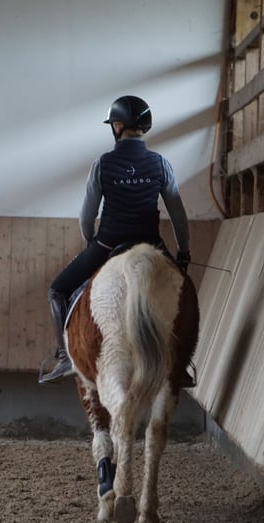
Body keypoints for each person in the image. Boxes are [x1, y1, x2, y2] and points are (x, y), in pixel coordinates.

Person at [39, 95, 192, 384]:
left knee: (57, 291)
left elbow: (86, 217)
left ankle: (64, 357)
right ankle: (180, 362)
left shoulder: (102, 164)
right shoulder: (161, 164)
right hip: (151, 246)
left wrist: (91, 243)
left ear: (118, 125)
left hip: (108, 245)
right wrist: (183, 252)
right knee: (185, 294)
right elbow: (178, 216)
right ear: (144, 127)